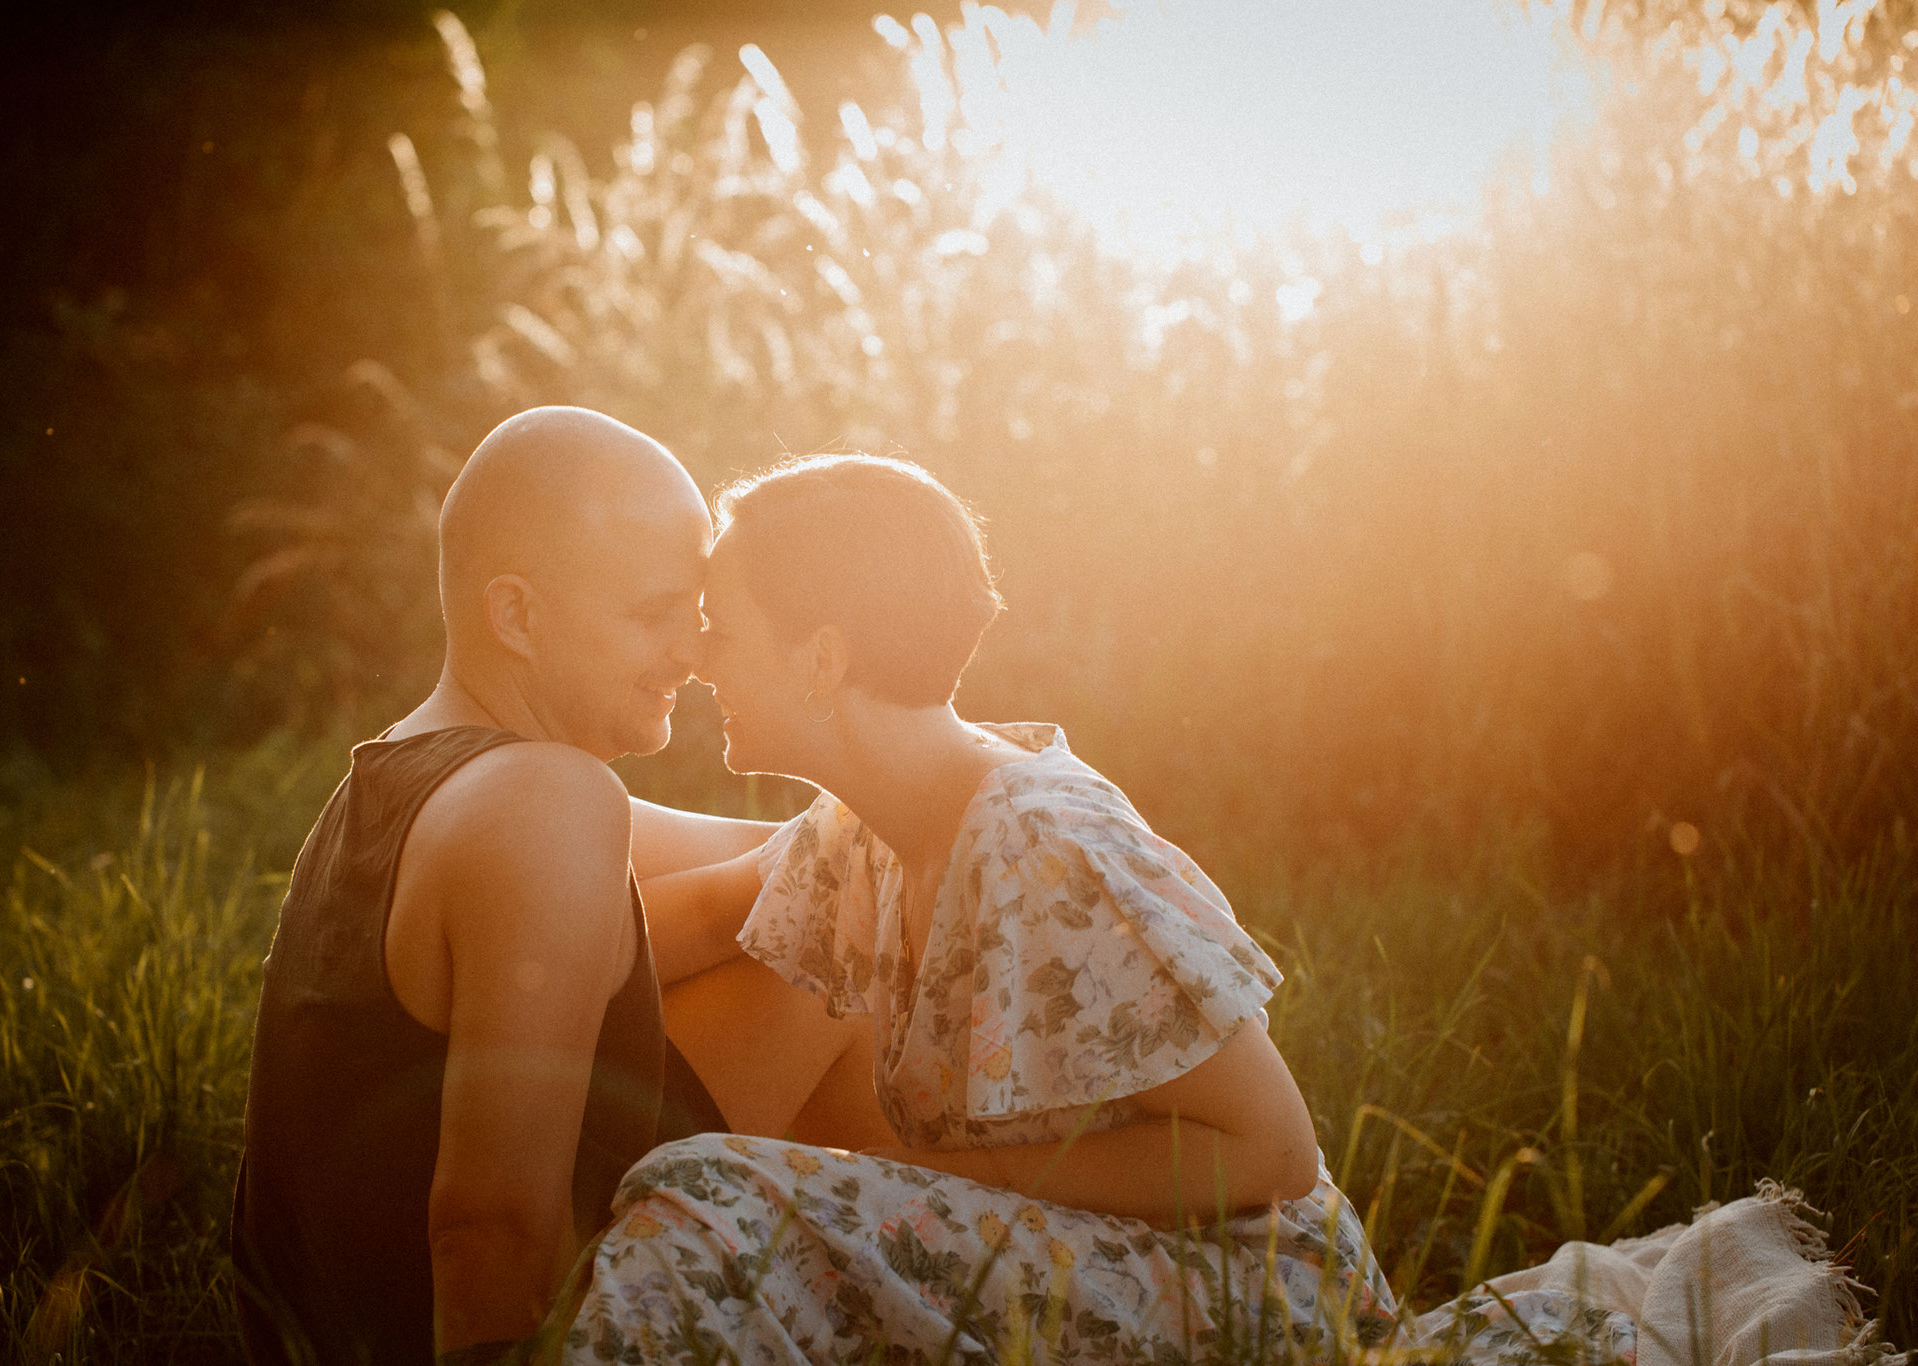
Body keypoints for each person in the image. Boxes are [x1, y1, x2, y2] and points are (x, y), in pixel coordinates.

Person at [565, 454, 1398, 1363]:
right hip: (1069, 1258)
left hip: (1240, 1296)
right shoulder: (868, 824)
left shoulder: (1040, 840)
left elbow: (1271, 1152)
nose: (693, 656)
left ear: (822, 658)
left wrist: (921, 1184)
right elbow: (679, 927)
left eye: (717, 626)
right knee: (719, 1188)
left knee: (707, 1191)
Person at [230, 409, 875, 1366]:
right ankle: (953, 1269)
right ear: (517, 616)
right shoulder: (543, 801)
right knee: (839, 941)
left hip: (320, 1329)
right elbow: (486, 1220)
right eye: (655, 614)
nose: (694, 656)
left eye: (694, 618)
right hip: (446, 1337)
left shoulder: (424, 775)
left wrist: (960, 826)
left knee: (843, 899)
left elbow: (799, 860)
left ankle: (921, 1259)